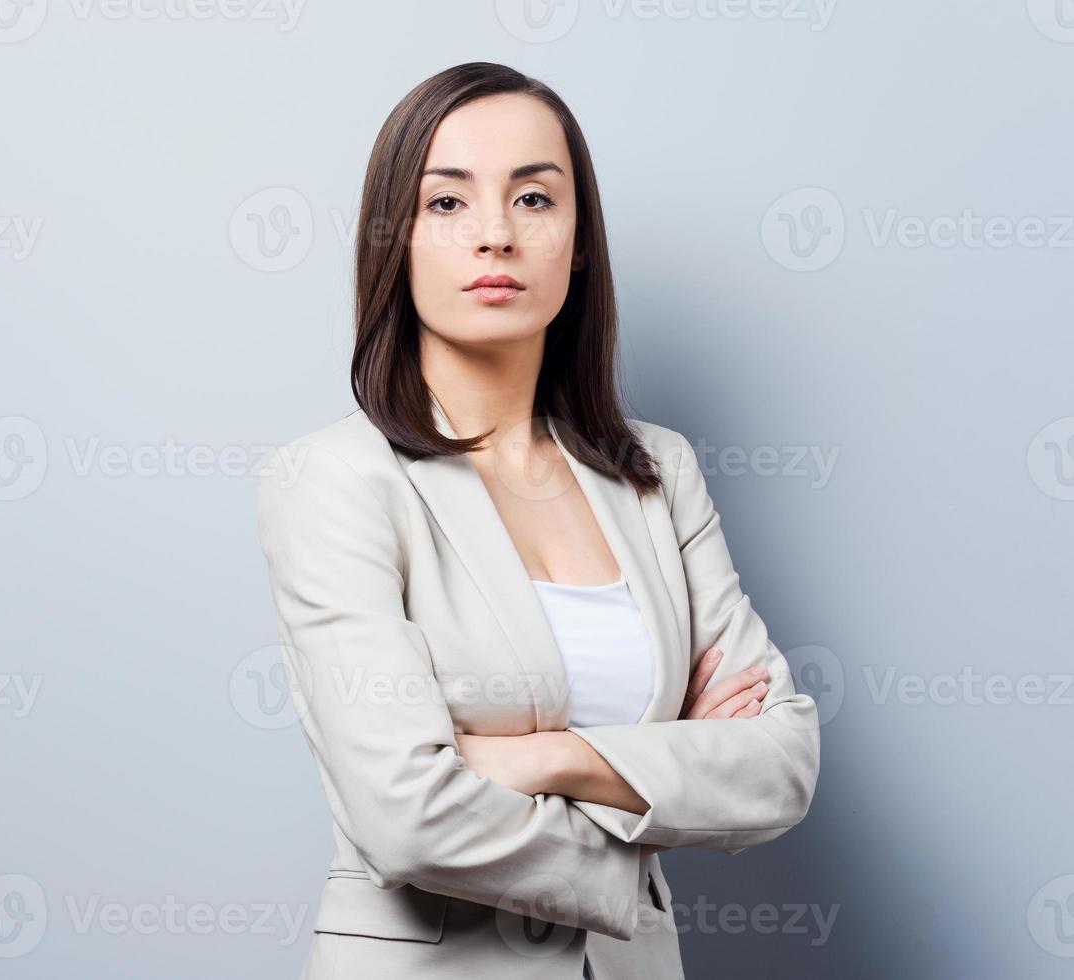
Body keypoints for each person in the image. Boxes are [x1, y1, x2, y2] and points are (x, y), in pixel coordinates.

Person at [254, 61, 820, 980]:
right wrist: (661, 769)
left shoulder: (656, 471)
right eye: (446, 204)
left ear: (580, 240)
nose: (494, 236)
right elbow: (402, 815)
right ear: (392, 240)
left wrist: (544, 757)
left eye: (532, 198)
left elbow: (778, 764)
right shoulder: (334, 479)